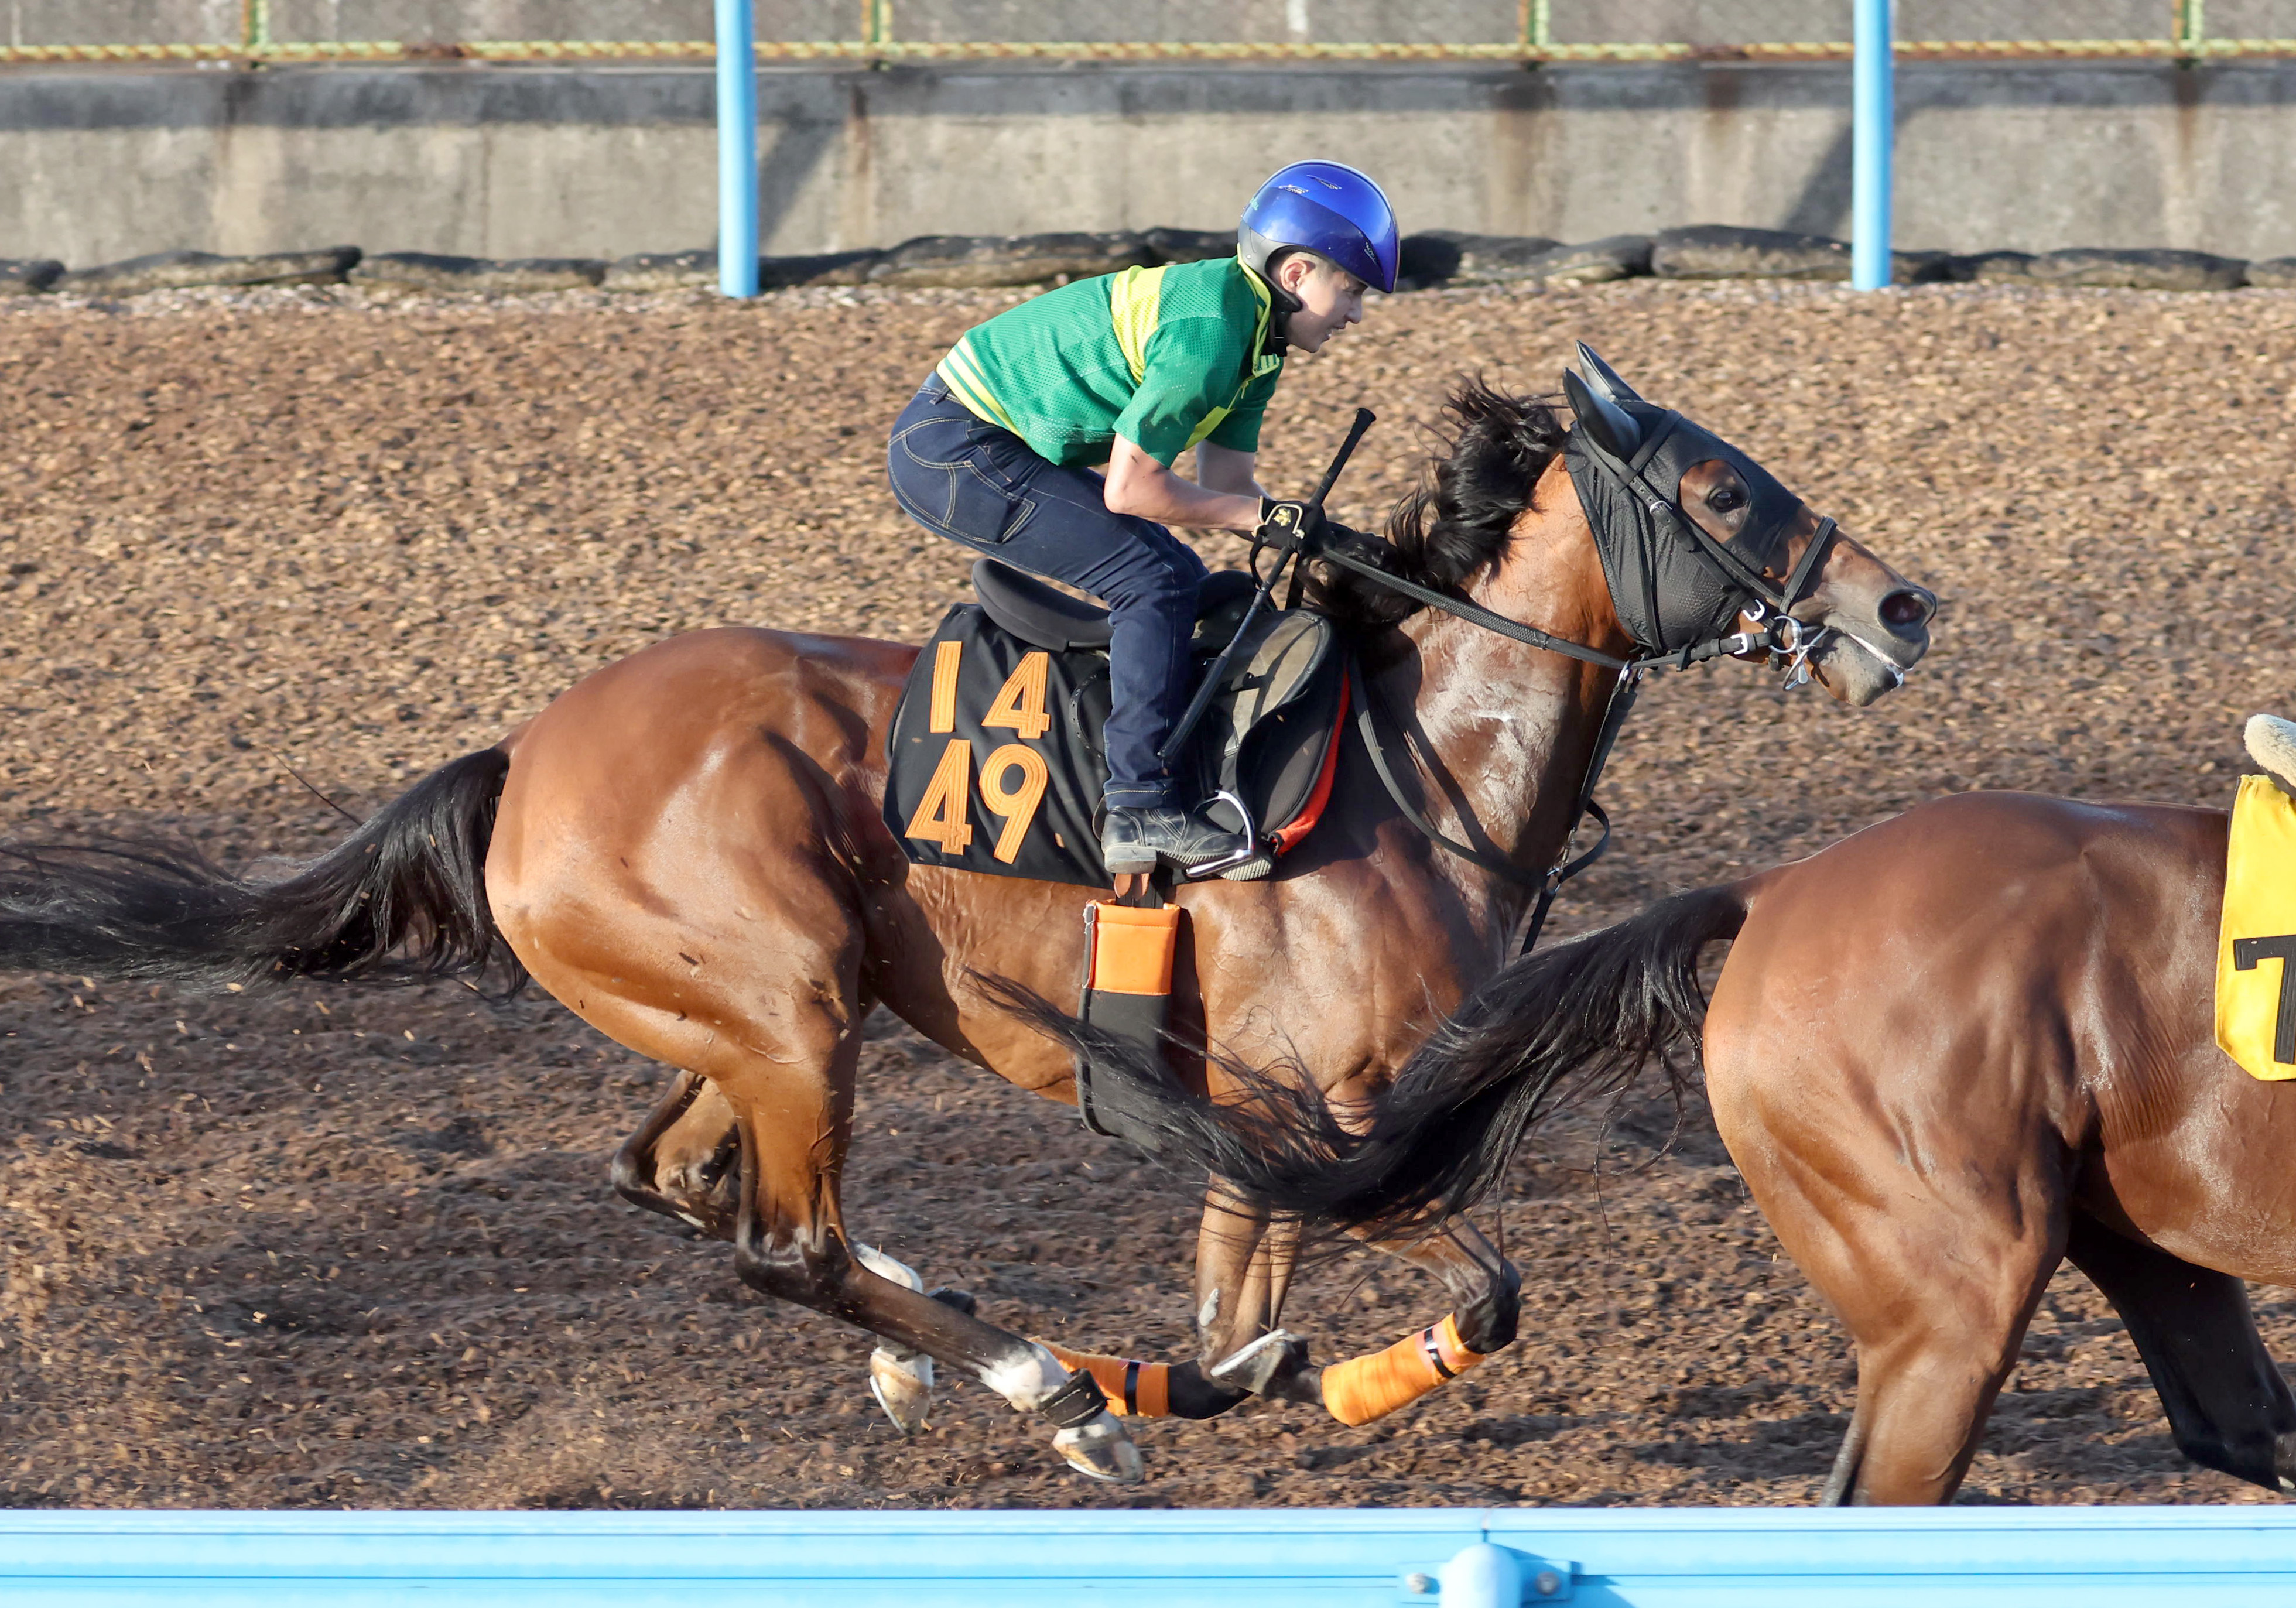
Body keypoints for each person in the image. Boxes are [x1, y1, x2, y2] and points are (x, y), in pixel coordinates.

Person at [886, 160, 1398, 881]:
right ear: (1294, 274)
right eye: (1348, 290)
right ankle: (1137, 807)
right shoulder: (1213, 328)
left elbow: (1226, 485)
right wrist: (1267, 516)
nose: (1356, 314)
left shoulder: (1258, 344)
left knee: (1184, 575)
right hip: (952, 448)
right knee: (1150, 582)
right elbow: (1133, 491)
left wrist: (1313, 531)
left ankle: (1161, 760)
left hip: (987, 438)